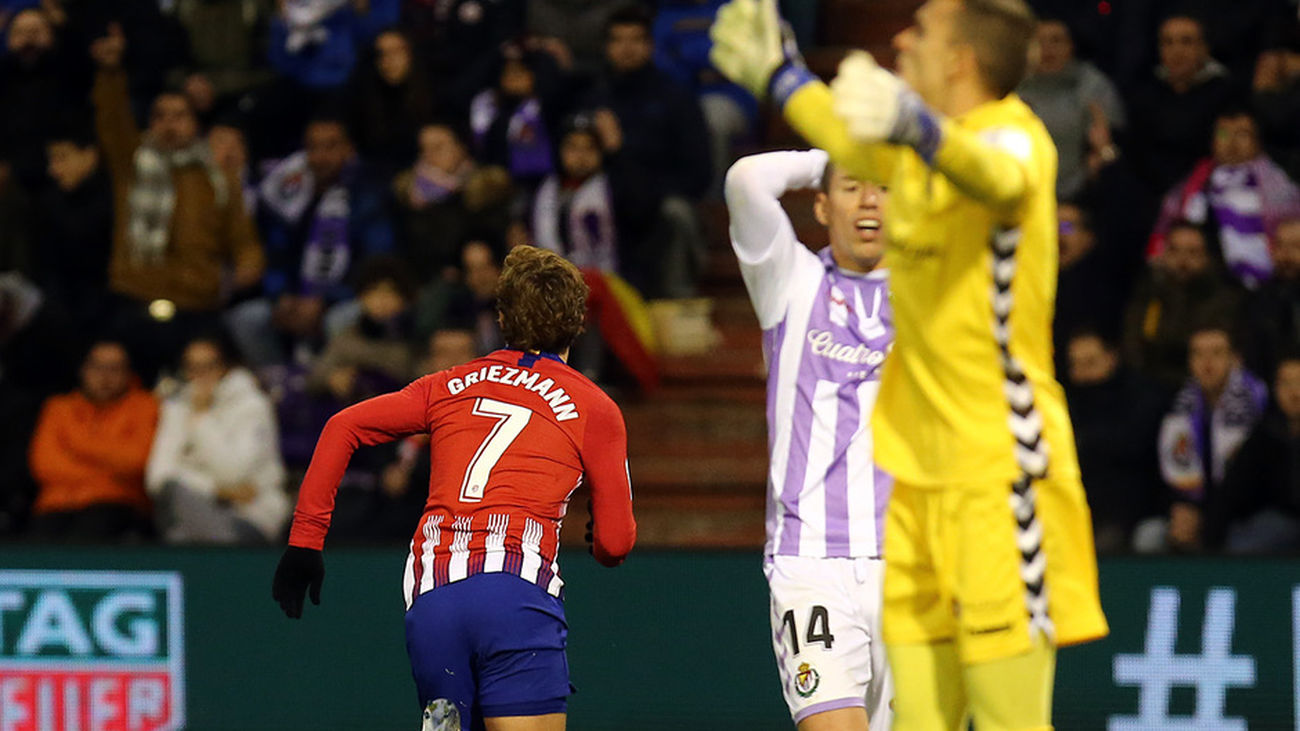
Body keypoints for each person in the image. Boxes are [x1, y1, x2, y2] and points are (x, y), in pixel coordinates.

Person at [709, 0, 1108, 727]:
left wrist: (917, 128)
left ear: (958, 60)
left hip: (997, 479)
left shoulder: (1016, 140)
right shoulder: (904, 170)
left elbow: (1002, 182)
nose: (899, 38)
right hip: (912, 502)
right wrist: (779, 76)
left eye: (920, 30)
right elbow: (836, 140)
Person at [272, 245, 636, 731]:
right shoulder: (595, 407)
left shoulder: (448, 384)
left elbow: (342, 427)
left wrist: (305, 543)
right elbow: (615, 543)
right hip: (517, 597)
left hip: (434, 600)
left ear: (502, 316)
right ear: (578, 323)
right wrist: (604, 540)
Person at [725, 147, 894, 729]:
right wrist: (833, 150)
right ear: (820, 205)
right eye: (851, 186)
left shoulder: (930, 294)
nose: (870, 199)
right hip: (811, 561)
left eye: (885, 186)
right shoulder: (791, 281)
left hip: (913, 562)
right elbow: (746, 179)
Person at [90, 23, 265, 382]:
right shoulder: (132, 165)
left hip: (196, 307)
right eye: (161, 116)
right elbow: (111, 120)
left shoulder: (217, 178)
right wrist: (110, 71)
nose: (170, 125)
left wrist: (248, 265)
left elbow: (243, 240)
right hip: (135, 300)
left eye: (179, 116)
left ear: (195, 123)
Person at [229, 116, 395, 368]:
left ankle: (328, 388)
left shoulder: (368, 195)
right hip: (297, 299)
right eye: (313, 147)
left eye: (330, 147)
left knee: (338, 321)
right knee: (246, 318)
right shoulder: (291, 195)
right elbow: (276, 253)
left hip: (346, 299)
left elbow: (376, 264)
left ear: (348, 149)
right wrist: (282, 297)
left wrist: (325, 300)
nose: (320, 156)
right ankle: (281, 385)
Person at [146, 334, 288, 544]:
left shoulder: (252, 405)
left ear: (224, 367)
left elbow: (235, 473)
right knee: (179, 520)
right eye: (192, 367)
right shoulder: (176, 408)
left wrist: (201, 418)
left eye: (208, 366)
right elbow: (159, 478)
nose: (200, 376)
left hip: (252, 514)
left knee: (194, 540)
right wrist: (217, 490)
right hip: (191, 514)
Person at [1148, 108, 1300, 289]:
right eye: (1223, 133)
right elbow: (1163, 228)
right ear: (1212, 141)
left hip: (1269, 284)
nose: (1232, 142)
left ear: (1258, 142)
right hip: (1206, 284)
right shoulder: (1195, 182)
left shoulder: (1279, 186)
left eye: (1242, 134)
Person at [27, 340, 158, 541]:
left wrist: (77, 444)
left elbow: (136, 461)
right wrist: (106, 466)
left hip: (117, 503)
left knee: (90, 533)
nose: (105, 376)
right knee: (34, 549)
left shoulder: (146, 406)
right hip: (55, 504)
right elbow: (45, 466)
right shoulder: (58, 408)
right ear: (83, 370)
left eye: (114, 369)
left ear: (128, 373)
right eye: (98, 367)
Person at [1158, 324, 1267, 553]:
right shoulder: (1176, 407)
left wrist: (1210, 519)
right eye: (1199, 354)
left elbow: (1257, 480)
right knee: (1151, 535)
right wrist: (1181, 508)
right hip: (1195, 509)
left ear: (1235, 359)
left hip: (1246, 512)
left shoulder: (1258, 404)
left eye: (1217, 353)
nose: (1207, 364)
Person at [1062, 330, 1167, 553]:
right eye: (1076, 365)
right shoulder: (1063, 402)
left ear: (1112, 358)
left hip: (1128, 511)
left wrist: (1087, 441)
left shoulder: (1141, 396)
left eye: (1090, 362)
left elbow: (1135, 447)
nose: (1083, 374)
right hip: (1075, 508)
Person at [1125, 14, 1239, 194]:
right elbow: (1135, 149)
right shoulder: (1145, 91)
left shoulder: (1225, 92)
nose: (1176, 50)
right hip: (1150, 188)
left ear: (1204, 48)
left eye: (1186, 42)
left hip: (1205, 184)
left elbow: (1223, 139)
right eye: (1168, 42)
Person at [1122, 221, 1243, 388]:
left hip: (1200, 388)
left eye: (1192, 252)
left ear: (1207, 257)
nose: (1182, 260)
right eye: (1174, 250)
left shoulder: (1224, 299)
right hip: (1148, 385)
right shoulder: (1149, 292)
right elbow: (1134, 345)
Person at [1016, 17, 1125, 199]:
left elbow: (1112, 154)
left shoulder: (1093, 87)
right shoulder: (1011, 88)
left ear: (1071, 45)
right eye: (1039, 41)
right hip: (1023, 195)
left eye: (1056, 40)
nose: (1047, 49)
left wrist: (1103, 154)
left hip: (1082, 198)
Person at [1206, 354, 1300, 553]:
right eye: (1287, 384)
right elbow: (1232, 492)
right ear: (1275, 389)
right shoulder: (1265, 436)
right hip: (1272, 521)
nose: (1295, 393)